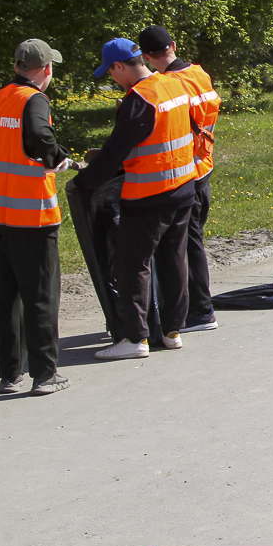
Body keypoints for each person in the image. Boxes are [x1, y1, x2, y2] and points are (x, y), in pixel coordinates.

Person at [73, 38, 199, 360]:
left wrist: (83, 181)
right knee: (174, 259)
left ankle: (135, 338)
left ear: (119, 66)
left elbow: (115, 152)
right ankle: (172, 331)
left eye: (110, 71)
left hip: (148, 195)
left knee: (132, 265)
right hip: (183, 187)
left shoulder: (139, 100)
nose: (112, 77)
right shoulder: (172, 85)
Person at [0, 39, 77, 395]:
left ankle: (9, 374)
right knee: (40, 296)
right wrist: (56, 156)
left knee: (5, 298)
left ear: (17, 66)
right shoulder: (34, 100)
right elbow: (37, 136)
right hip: (32, 214)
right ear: (46, 68)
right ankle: (45, 374)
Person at [138, 25, 220, 333]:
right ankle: (193, 308)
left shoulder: (169, 84)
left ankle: (200, 311)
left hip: (186, 174)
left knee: (187, 245)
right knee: (190, 242)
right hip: (204, 165)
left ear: (145, 57)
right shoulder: (199, 74)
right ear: (173, 44)